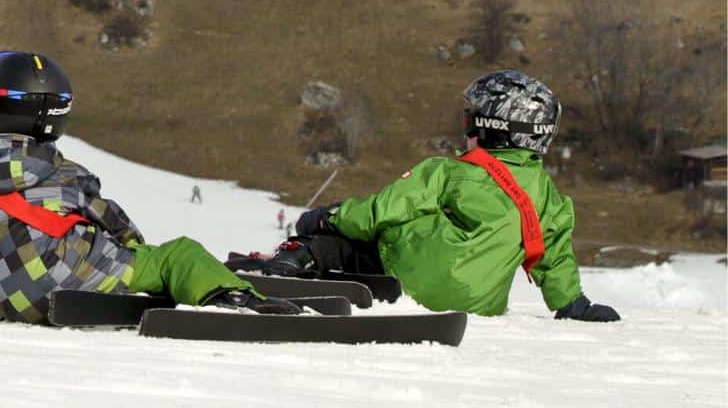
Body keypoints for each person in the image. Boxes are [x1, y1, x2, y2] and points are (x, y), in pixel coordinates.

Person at [0, 51, 293, 324]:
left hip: (19, 305)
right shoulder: (64, 174)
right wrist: (139, 260)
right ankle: (232, 300)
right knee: (178, 255)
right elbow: (117, 225)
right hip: (88, 276)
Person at [240, 70, 619, 321]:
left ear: (492, 127)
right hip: (478, 305)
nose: (465, 126)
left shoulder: (447, 171)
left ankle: (292, 261)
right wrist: (572, 304)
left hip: (408, 278)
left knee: (342, 234)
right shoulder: (548, 197)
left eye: (470, 118)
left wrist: (328, 216)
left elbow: (379, 212)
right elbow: (554, 255)